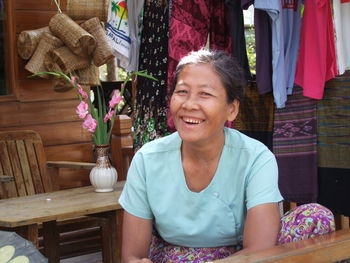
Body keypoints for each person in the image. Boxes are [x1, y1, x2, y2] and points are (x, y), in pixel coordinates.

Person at [119, 49, 335, 263]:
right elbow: (133, 255)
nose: (189, 104)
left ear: (232, 110)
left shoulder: (255, 157)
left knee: (316, 217)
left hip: (242, 257)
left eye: (205, 94)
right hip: (175, 256)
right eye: (182, 91)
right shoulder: (147, 159)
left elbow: (260, 248)